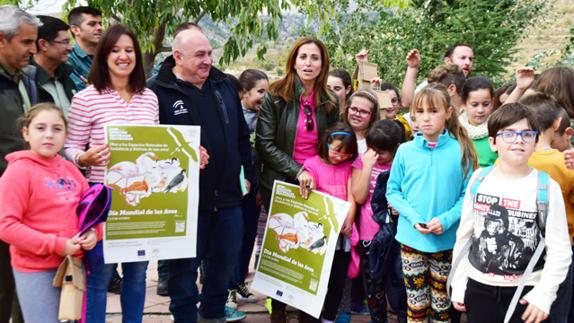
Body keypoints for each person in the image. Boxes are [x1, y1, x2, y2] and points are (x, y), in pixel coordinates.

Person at [148, 23, 253, 322]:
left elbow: (241, 137)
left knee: (223, 263)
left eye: (209, 53)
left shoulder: (223, 86)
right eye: (199, 55)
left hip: (230, 196)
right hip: (185, 199)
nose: (207, 60)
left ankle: (213, 313)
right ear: (178, 57)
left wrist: (247, 175)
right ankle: (183, 316)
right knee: (183, 268)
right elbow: (150, 146)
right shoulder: (157, 91)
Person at [64, 24, 158, 323]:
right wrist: (84, 156)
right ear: (104, 55)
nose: (123, 56)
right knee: (100, 275)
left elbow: (155, 145)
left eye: (129, 50)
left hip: (140, 200)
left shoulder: (149, 97)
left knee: (138, 273)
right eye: (115, 50)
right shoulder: (86, 98)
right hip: (102, 200)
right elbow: (70, 147)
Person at [450, 103, 572, 323]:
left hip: (527, 292)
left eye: (527, 134)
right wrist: (459, 283)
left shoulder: (546, 187)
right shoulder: (478, 180)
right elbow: (465, 237)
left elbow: (560, 250)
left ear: (535, 142)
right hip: (479, 289)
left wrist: (544, 295)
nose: (518, 140)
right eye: (508, 134)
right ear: (493, 143)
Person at [255, 37, 339, 323]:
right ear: (293, 60)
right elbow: (265, 145)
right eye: (303, 57)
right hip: (280, 181)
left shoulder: (329, 101)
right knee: (283, 241)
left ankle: (306, 308)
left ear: (322, 64)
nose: (308, 63)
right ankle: (277, 308)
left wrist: (316, 172)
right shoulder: (276, 96)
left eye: (314, 58)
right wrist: (297, 170)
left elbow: (332, 144)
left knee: (310, 243)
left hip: (317, 182)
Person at [386, 83, 477, 322]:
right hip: (411, 240)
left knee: (442, 305)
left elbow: (467, 195)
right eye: (420, 112)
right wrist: (414, 218)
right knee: (416, 304)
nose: (426, 118)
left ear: (448, 112)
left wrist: (446, 220)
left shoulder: (461, 150)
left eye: (433, 111)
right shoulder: (405, 151)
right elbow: (393, 191)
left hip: (447, 242)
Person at [0, 103, 97, 323]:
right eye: (40, 128)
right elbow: (6, 226)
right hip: (36, 270)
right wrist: (57, 245)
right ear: (26, 133)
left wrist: (93, 232)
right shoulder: (18, 171)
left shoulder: (70, 169)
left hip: (73, 266)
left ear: (65, 135)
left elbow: (90, 210)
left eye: (57, 129)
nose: (49, 135)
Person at [0, 6, 41, 323]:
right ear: (2, 39)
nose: (32, 49)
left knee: (24, 288)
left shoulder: (27, 80)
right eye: (26, 42)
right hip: (4, 204)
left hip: (31, 205)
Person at [521, 93, 574, 322]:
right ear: (557, 124)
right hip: (562, 249)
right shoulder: (564, 163)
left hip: (522, 251)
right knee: (559, 308)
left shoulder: (514, 160)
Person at [351, 120, 407, 323]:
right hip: (369, 235)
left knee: (399, 281)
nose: (376, 155)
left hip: (396, 235)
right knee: (373, 285)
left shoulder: (402, 163)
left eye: (381, 151)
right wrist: (367, 167)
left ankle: (403, 316)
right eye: (372, 149)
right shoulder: (363, 161)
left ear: (396, 148)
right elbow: (358, 196)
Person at [303, 122, 358, 322]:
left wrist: (350, 221)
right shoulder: (312, 164)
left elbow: (352, 197)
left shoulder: (348, 168)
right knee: (315, 278)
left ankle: (329, 316)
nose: (340, 157)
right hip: (318, 235)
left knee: (337, 279)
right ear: (326, 142)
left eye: (346, 154)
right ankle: (310, 315)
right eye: (336, 151)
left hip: (341, 236)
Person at [226, 68, 269, 309]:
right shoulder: (233, 117)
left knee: (249, 235)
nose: (265, 97)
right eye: (260, 91)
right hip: (235, 187)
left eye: (267, 91)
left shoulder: (266, 118)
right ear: (243, 93)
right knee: (233, 236)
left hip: (255, 187)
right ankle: (228, 287)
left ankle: (240, 280)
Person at [401, 44, 474, 108]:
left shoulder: (475, 88)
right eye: (463, 58)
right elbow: (407, 103)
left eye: (470, 59)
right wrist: (412, 68)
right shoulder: (431, 86)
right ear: (448, 61)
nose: (468, 62)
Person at [32, 15, 75, 115]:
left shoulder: (67, 76)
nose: (70, 48)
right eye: (65, 42)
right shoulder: (28, 82)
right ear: (43, 44)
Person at [459, 77, 498, 167]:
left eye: (485, 104)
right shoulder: (456, 131)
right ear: (464, 104)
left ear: (492, 103)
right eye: (474, 105)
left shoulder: (498, 129)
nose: (480, 110)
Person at [67, 6, 103, 91]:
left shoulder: (110, 55)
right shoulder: (68, 59)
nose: (100, 28)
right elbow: (80, 93)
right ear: (75, 30)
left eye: (100, 24)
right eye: (92, 24)